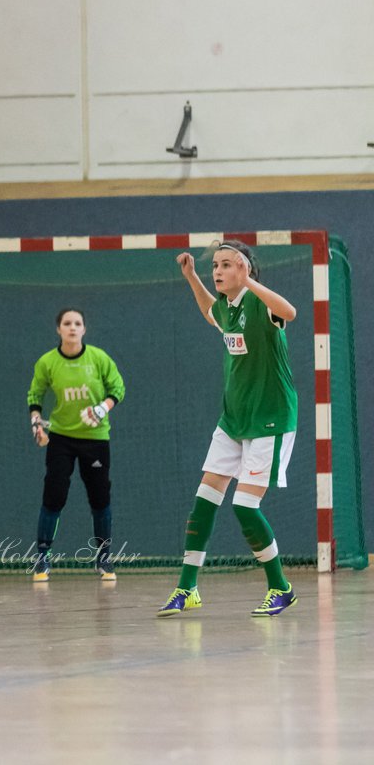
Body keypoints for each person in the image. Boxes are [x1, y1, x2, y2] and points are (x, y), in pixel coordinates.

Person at [158, 240, 299, 617]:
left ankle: (281, 587)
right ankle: (187, 588)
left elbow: (290, 311)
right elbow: (211, 313)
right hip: (233, 419)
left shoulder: (259, 303)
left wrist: (251, 281)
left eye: (225, 265)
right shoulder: (227, 308)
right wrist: (190, 277)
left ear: (244, 269)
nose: (217, 271)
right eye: (214, 265)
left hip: (270, 419)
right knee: (204, 499)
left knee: (245, 506)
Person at [27, 309, 125, 582]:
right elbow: (35, 395)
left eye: (77, 323)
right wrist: (36, 423)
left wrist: (102, 409)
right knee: (54, 494)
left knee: (99, 496)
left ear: (84, 329)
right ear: (58, 329)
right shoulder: (47, 362)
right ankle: (43, 557)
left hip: (95, 440)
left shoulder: (98, 358)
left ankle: (104, 557)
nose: (72, 328)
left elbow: (117, 388)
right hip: (61, 438)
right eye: (66, 323)